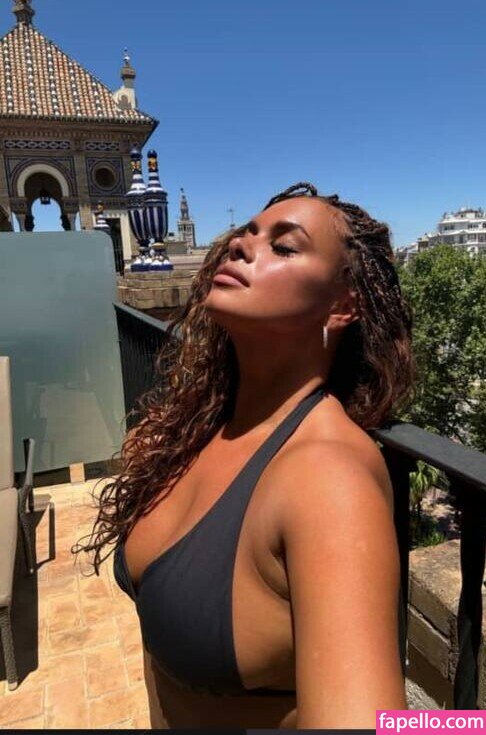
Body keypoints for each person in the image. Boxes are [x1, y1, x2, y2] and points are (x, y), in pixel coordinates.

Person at [75, 182, 415, 728]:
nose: (241, 245)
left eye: (284, 246)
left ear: (342, 305)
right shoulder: (205, 424)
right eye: (246, 234)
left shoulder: (328, 478)